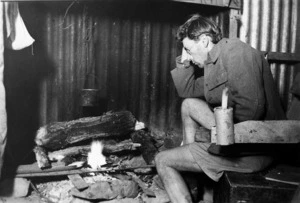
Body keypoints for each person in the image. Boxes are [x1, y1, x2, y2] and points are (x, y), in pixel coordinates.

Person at [155, 14, 286, 203]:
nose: (190, 58)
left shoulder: (237, 53)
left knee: (162, 160)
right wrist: (184, 60)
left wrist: (214, 134)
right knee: (189, 105)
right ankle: (194, 161)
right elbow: (187, 90)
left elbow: (253, 109)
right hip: (239, 140)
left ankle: (194, 160)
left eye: (189, 50)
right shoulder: (215, 61)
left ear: (205, 40)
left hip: (254, 148)